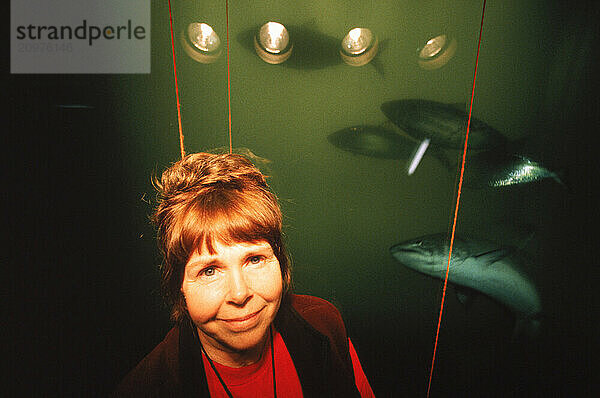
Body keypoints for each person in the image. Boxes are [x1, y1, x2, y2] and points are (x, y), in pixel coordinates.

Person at [114, 152, 375, 397]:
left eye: (254, 259)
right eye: (209, 270)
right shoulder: (147, 387)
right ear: (179, 285)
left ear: (280, 262)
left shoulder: (323, 325)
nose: (239, 293)